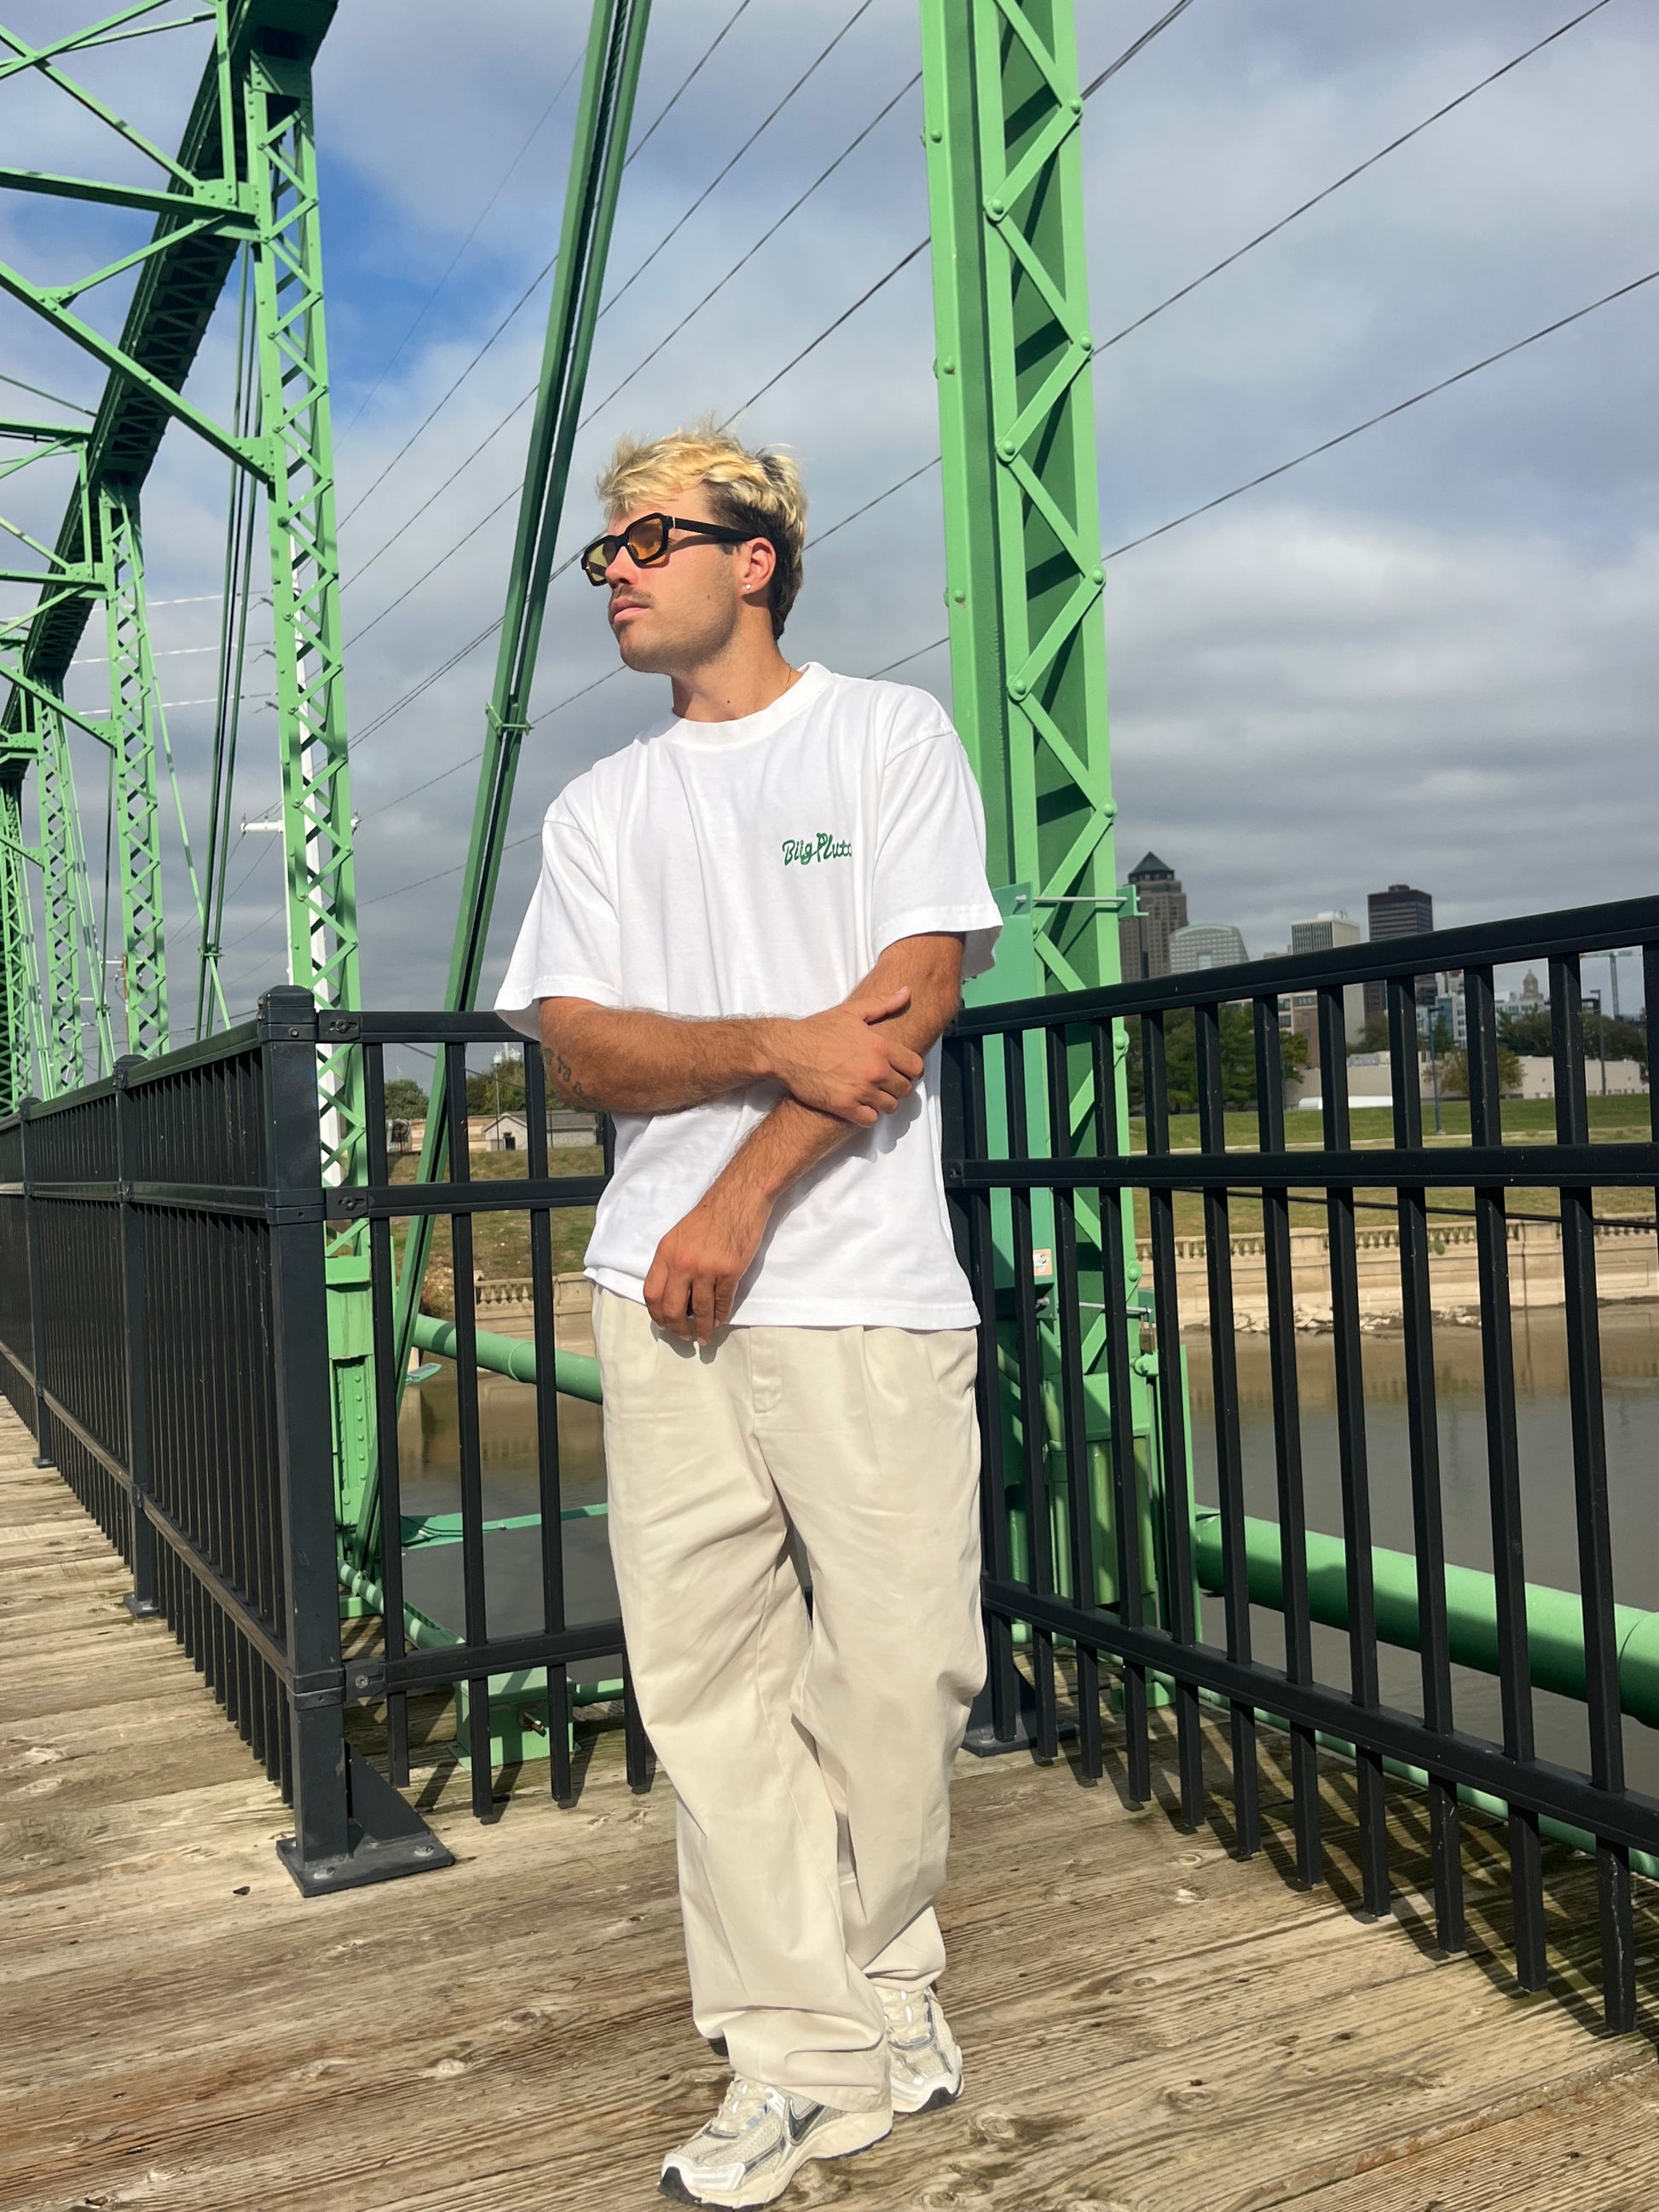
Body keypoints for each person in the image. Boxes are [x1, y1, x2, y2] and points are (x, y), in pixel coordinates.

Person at [497, 424, 1002, 2209]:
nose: (616, 573)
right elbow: (584, 1049)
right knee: (710, 1691)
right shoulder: (598, 808)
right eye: (605, 551)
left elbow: (910, 995)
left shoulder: (885, 738)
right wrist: (771, 1041)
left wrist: (736, 1192)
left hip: (856, 1283)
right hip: (657, 1300)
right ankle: (800, 2052)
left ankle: (884, 1969)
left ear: (756, 557)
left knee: (902, 1669)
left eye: (650, 540)